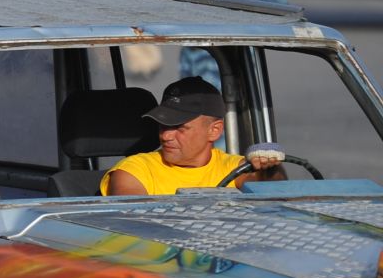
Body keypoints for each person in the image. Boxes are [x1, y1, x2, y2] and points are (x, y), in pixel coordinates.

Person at [102, 76, 284, 196]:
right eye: (163, 124)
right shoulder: (133, 171)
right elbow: (131, 222)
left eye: (179, 127)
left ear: (214, 130)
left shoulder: (234, 168)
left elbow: (273, 191)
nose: (166, 136)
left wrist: (270, 168)